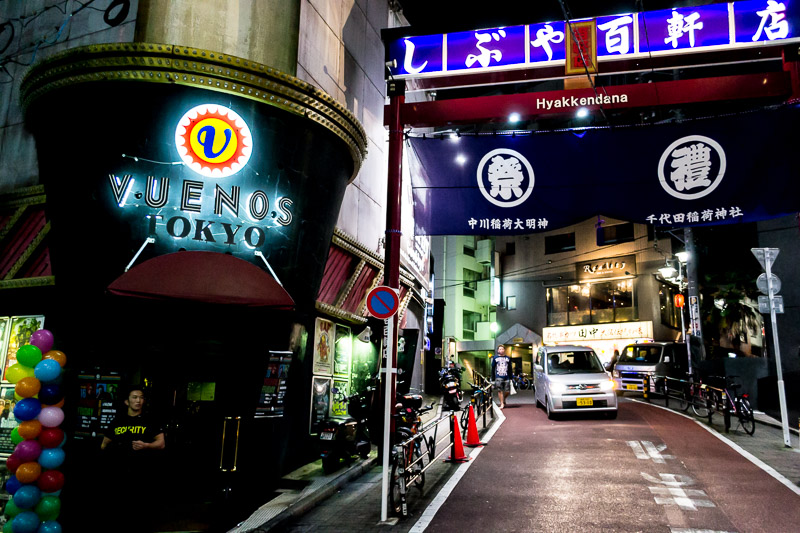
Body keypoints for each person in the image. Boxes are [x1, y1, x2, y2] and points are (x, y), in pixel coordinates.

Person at [100, 385, 165, 531]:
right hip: (119, 474)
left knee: (139, 512)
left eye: (141, 398)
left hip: (141, 474)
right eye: (135, 397)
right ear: (126, 401)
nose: (138, 401)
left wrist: (146, 445)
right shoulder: (117, 421)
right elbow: (104, 444)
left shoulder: (150, 420)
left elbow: (161, 444)